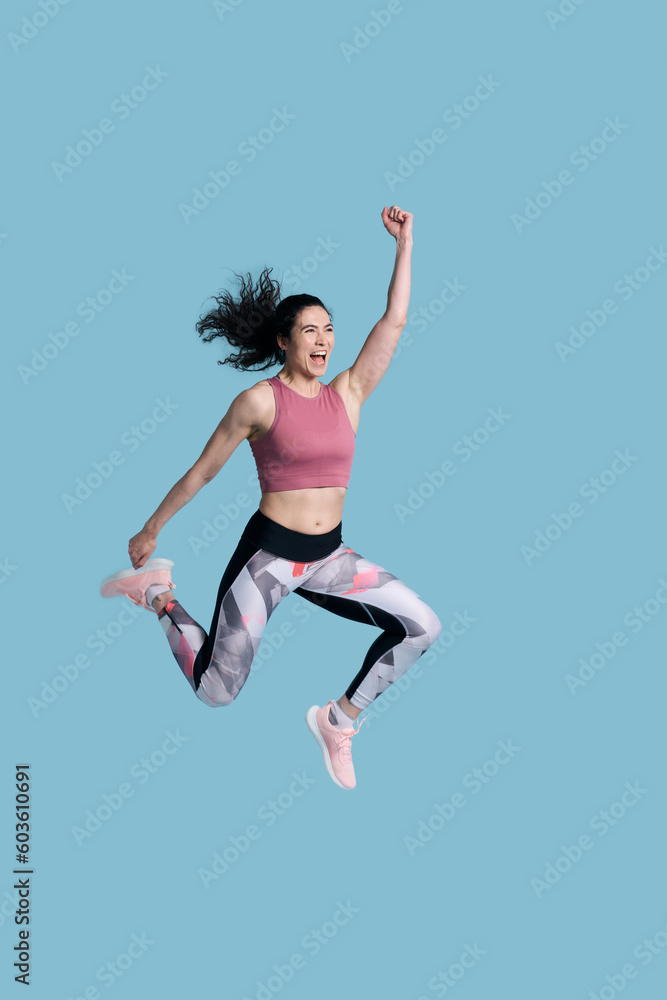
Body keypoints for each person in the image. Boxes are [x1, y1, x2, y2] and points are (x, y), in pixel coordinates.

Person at [100, 205, 442, 790]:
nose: (325, 339)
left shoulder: (349, 394)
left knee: (423, 627)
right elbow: (202, 472)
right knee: (217, 691)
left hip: (330, 558)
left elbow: (396, 320)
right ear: (284, 341)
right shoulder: (259, 402)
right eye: (311, 330)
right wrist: (150, 529)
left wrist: (405, 244)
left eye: (330, 329)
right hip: (269, 561)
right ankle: (157, 593)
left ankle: (338, 721)